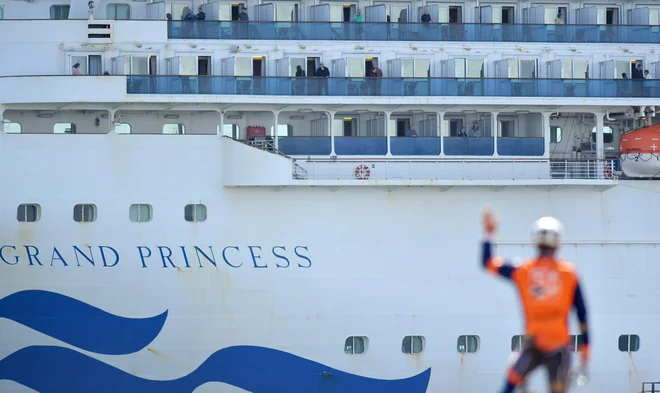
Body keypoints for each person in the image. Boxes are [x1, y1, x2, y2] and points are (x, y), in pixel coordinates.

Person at [480, 208, 590, 393]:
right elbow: (582, 316)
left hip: (532, 345)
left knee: (508, 387)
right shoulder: (569, 274)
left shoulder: (523, 271)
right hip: (559, 350)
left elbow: (488, 263)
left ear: (535, 242)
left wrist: (488, 233)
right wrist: (585, 353)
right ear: (558, 244)